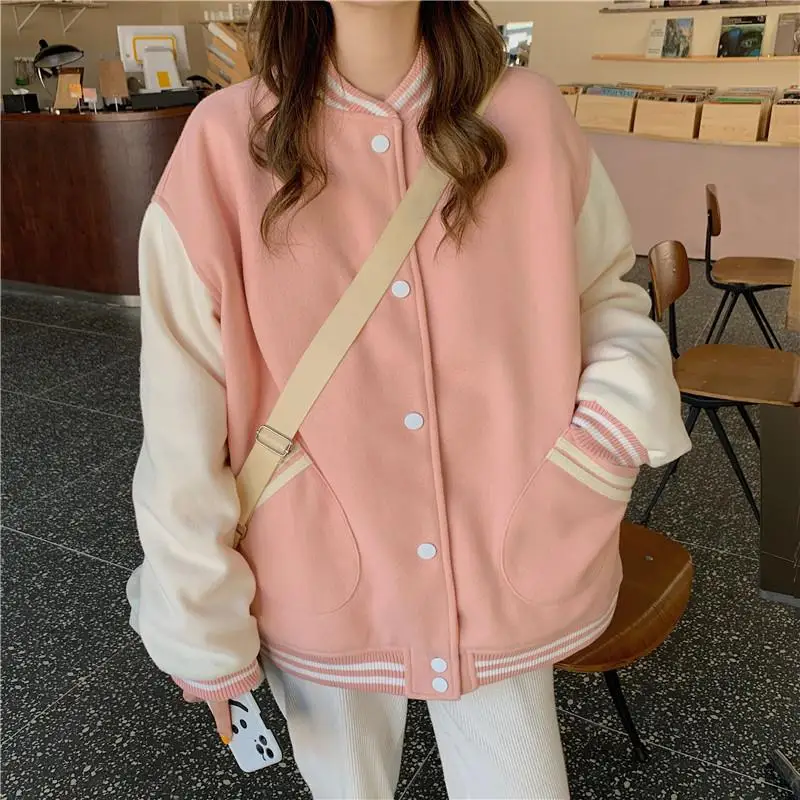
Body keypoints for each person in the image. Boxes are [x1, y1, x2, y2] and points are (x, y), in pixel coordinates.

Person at [127, 1, 691, 797]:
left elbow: (607, 298)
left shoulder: (528, 114)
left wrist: (599, 446)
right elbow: (180, 409)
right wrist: (201, 627)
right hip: (313, 564)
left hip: (503, 555)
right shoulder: (224, 142)